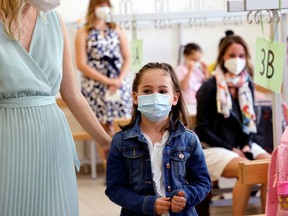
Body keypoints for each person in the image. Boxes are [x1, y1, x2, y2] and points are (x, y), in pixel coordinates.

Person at [0, 1, 111, 215]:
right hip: (7, 139)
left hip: (51, 141)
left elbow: (72, 93)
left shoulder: (53, 20)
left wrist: (105, 141)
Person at [105, 62, 212, 216]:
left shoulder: (189, 140)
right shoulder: (121, 141)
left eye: (162, 91)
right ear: (135, 97)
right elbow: (115, 188)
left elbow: (203, 183)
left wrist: (185, 197)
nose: (155, 96)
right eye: (147, 91)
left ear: (174, 98)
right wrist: (147, 204)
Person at [195, 35, 271, 216]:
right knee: (246, 169)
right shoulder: (209, 87)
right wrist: (232, 148)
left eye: (241, 55)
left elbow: (250, 122)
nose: (237, 60)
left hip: (241, 143)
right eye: (231, 55)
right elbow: (202, 130)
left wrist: (246, 144)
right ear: (222, 57)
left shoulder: (247, 84)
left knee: (272, 166)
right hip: (212, 147)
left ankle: (269, 213)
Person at [75, 0, 132, 137]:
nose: (104, 8)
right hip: (94, 86)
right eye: (101, 5)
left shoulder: (117, 29)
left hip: (118, 84)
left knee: (122, 124)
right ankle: (106, 159)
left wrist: (118, 80)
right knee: (101, 130)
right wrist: (107, 81)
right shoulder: (83, 32)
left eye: (107, 5)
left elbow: (128, 58)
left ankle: (121, 157)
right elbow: (81, 64)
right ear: (93, 7)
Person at [175, 43, 208, 113]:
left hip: (199, 104)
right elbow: (183, 86)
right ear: (186, 57)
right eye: (194, 59)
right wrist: (190, 70)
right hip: (187, 106)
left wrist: (206, 72)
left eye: (198, 60)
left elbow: (206, 85)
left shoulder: (198, 70)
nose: (196, 62)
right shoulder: (179, 69)